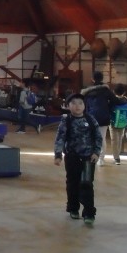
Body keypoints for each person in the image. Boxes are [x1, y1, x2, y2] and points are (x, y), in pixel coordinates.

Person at [53, 93, 102, 225]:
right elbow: (60, 138)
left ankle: (89, 213)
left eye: (80, 103)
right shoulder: (66, 121)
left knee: (87, 184)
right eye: (73, 103)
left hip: (88, 158)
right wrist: (58, 155)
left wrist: (96, 152)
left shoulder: (91, 120)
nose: (77, 106)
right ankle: (73, 208)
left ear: (84, 105)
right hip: (72, 157)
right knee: (72, 183)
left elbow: (98, 137)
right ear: (68, 106)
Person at [81, 71, 120, 166]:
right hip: (103, 117)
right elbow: (116, 101)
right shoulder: (106, 90)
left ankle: (90, 157)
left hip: (90, 117)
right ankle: (101, 160)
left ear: (92, 79)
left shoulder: (87, 91)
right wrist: (108, 108)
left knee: (90, 138)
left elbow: (83, 105)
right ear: (102, 79)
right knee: (102, 138)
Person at [109, 84, 127, 165]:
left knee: (114, 140)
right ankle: (117, 155)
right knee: (119, 139)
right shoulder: (125, 100)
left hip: (113, 122)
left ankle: (116, 158)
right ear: (124, 92)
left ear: (114, 91)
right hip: (123, 121)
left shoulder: (113, 100)